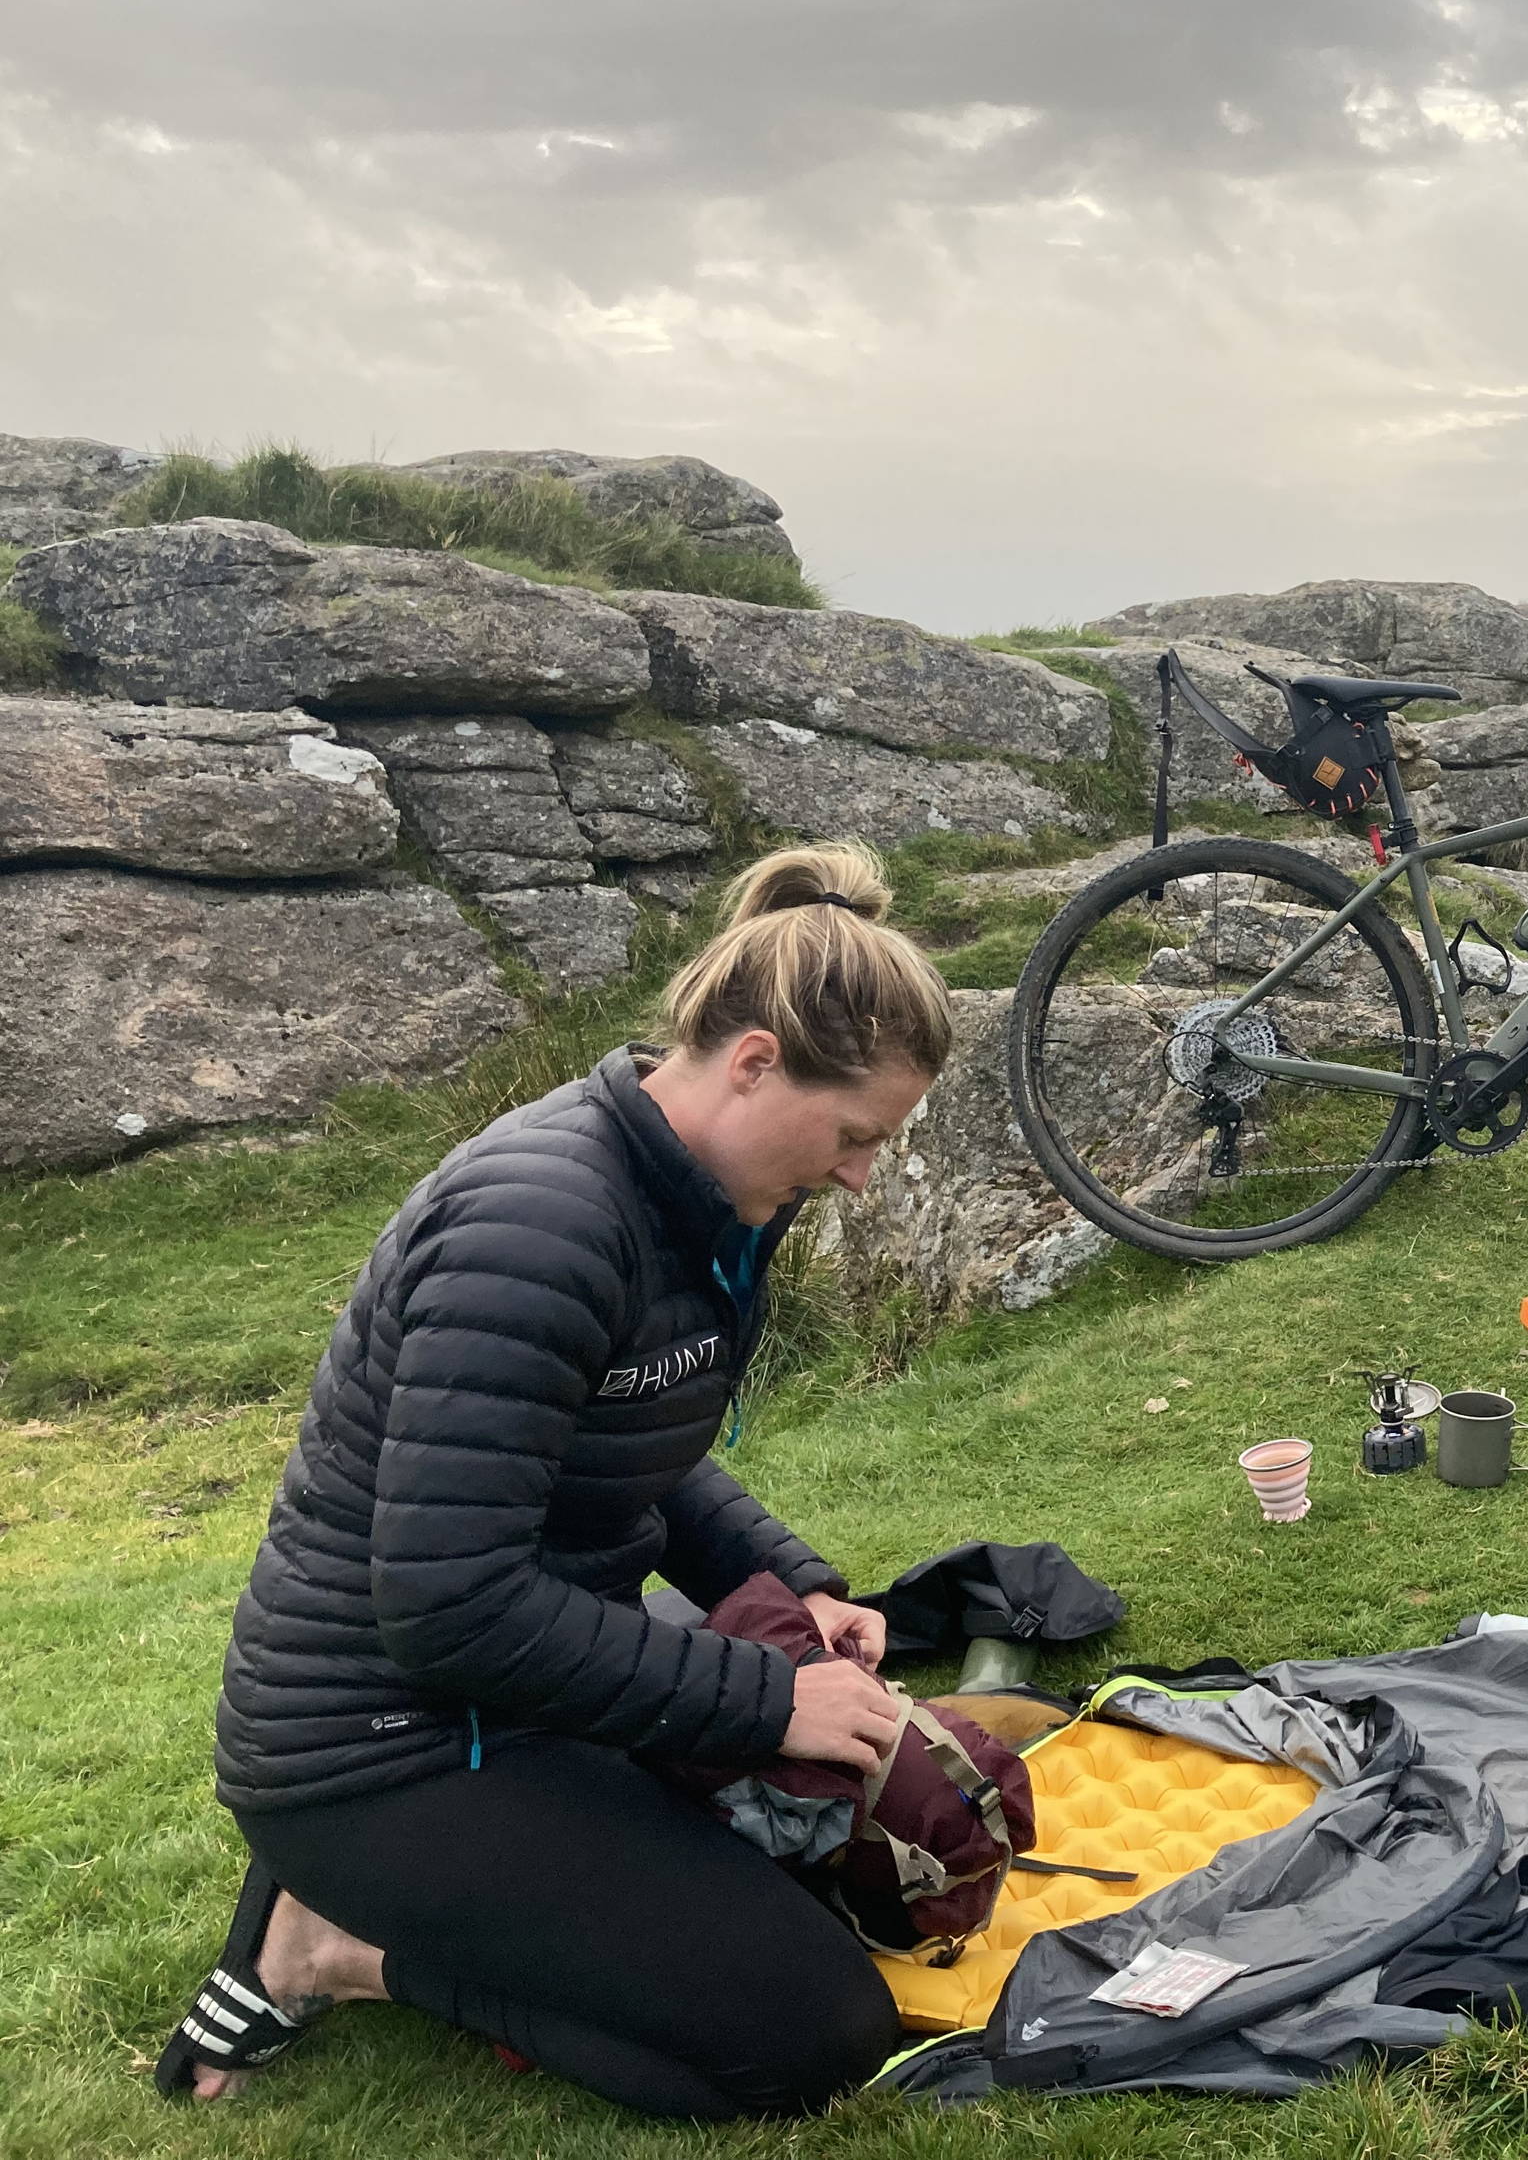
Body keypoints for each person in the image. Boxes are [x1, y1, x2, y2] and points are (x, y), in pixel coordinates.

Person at [159, 842, 953, 2119]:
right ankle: (339, 1949)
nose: (860, 1174)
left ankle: (370, 1902)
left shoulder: (713, 1200)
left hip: (514, 1684)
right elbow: (448, 1604)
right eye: (856, 1135)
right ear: (753, 1063)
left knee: (823, 1869)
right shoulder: (537, 1224)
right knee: (810, 2033)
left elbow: (644, 1445)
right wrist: (764, 1699)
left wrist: (787, 1590)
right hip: (384, 1746)